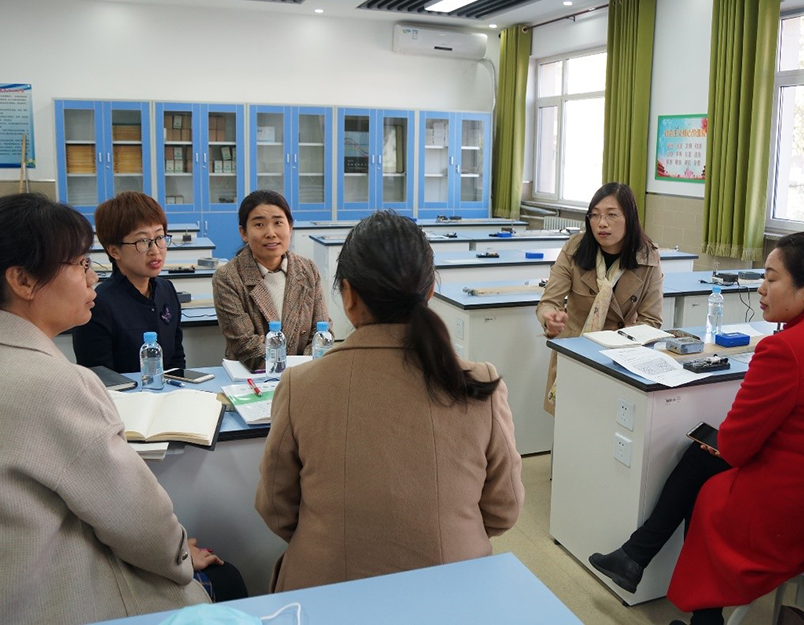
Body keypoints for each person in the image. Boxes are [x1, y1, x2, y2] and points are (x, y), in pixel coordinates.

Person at [588, 232, 804, 625]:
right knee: (701, 457)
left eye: (771, 279)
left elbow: (735, 447)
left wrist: (726, 442)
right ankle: (636, 558)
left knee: (709, 485)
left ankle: (680, 595)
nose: (760, 288)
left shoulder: (786, 348)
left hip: (795, 513)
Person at [255, 210, 523, 591]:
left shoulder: (301, 385)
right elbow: (504, 510)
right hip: (453, 593)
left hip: (325, 594)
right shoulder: (480, 383)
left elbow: (276, 509)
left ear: (348, 296)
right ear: (429, 292)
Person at [0, 194, 213, 622]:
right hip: (51, 595)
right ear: (23, 281)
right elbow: (139, 522)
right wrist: (182, 557)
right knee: (223, 580)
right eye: (82, 263)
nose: (92, 277)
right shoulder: (54, 384)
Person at [536, 182, 663, 414]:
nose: (602, 223)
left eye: (611, 215)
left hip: (620, 358)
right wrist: (549, 318)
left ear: (630, 218)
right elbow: (549, 302)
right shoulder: (575, 249)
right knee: (570, 423)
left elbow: (651, 321)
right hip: (576, 351)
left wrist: (619, 343)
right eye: (594, 215)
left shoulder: (647, 257)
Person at [213, 190, 329, 371]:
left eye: (278, 223)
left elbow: (321, 332)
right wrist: (293, 369)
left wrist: (304, 370)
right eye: (259, 224)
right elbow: (245, 346)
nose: (271, 233)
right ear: (243, 233)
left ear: (290, 227)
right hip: (253, 377)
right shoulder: (228, 277)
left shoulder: (308, 270)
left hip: (305, 375)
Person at [73, 191, 186, 373]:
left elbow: (176, 359)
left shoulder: (166, 290)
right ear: (114, 251)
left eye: (159, 238)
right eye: (143, 241)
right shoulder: (97, 303)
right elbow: (100, 377)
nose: (155, 251)